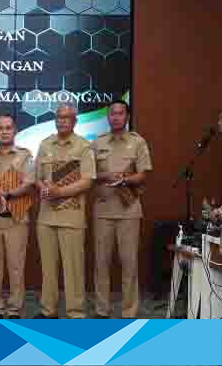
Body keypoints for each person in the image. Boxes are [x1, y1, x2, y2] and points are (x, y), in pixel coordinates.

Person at [33, 103, 95, 319]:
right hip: (46, 217)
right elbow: (37, 177)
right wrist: (44, 188)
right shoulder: (45, 144)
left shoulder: (83, 147)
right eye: (59, 117)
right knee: (48, 269)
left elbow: (87, 181)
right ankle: (48, 310)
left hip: (72, 217)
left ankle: (75, 313)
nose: (62, 121)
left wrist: (60, 191)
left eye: (67, 117)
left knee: (73, 269)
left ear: (75, 121)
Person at [92, 100, 152, 318]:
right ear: (108, 117)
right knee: (101, 263)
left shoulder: (137, 142)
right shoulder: (97, 144)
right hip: (103, 210)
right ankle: (102, 310)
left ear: (127, 116)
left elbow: (144, 173)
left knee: (129, 264)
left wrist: (126, 180)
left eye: (120, 113)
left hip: (129, 211)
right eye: (112, 114)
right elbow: (89, 174)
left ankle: (129, 311)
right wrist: (106, 175)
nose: (116, 117)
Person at [0, 114, 35, 319]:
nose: (4, 131)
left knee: (16, 266)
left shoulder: (25, 156)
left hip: (16, 218)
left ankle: (14, 307)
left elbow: (29, 183)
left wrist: (9, 194)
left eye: (8, 128)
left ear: (15, 131)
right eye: (0, 128)